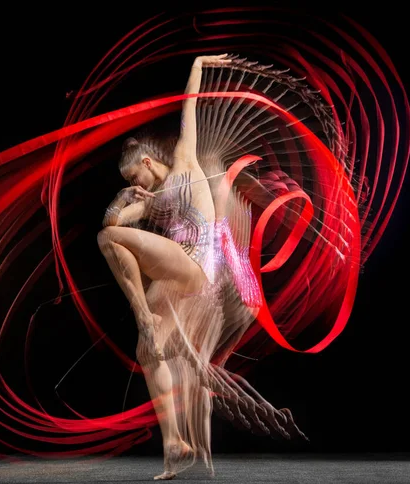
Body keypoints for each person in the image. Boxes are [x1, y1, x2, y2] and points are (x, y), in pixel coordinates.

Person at [97, 54, 304, 480]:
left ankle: (143, 314)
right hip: (184, 280)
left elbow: (189, 103)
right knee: (148, 351)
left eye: (139, 177)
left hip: (197, 269)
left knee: (112, 242)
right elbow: (114, 224)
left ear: (150, 163)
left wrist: (200, 62)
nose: (139, 187)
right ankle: (175, 443)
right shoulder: (149, 202)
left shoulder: (184, 166)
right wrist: (122, 201)